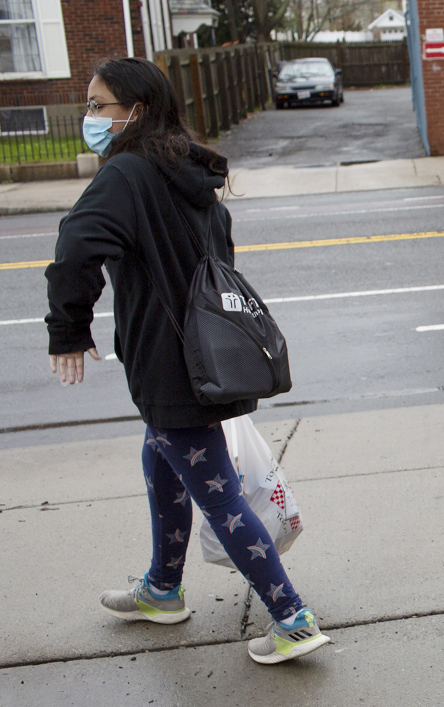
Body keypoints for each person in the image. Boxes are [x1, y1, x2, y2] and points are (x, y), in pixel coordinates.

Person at [44, 57, 329, 664]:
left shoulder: (125, 173)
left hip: (171, 364)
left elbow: (74, 249)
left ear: (135, 111)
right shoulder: (187, 169)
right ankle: (163, 590)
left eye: (98, 106)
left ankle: (292, 619)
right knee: (161, 452)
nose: (89, 117)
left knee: (219, 495)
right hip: (211, 353)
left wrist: (67, 329)